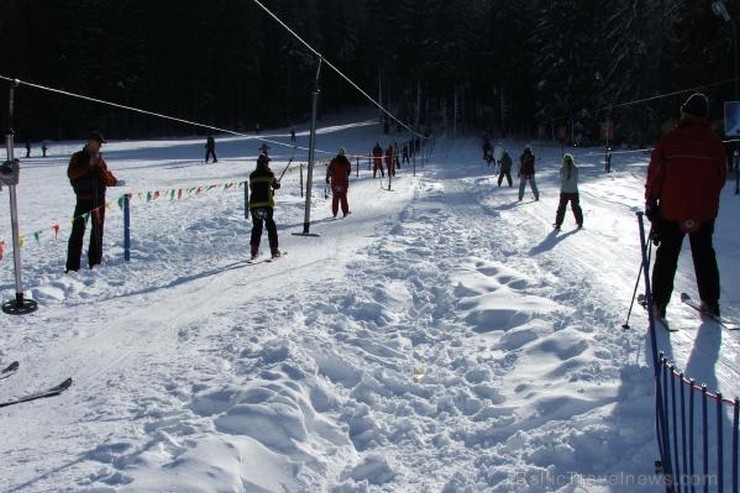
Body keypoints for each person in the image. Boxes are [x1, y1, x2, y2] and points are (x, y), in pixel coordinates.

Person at [645, 93, 727, 319]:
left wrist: (652, 202)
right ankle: (711, 302)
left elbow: (655, 176)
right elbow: (721, 177)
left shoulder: (670, 141)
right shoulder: (715, 144)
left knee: (668, 254)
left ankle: (659, 303)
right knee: (704, 254)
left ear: (686, 112)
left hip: (673, 209)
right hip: (704, 211)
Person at [65, 132, 119, 272]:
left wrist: (100, 166)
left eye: (100, 144)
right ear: (89, 142)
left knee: (97, 233)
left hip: (99, 201)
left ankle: (95, 263)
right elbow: (71, 174)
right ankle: (72, 267)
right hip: (82, 200)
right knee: (77, 233)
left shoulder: (100, 159)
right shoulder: (77, 157)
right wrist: (88, 165)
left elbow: (108, 180)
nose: (99, 146)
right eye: (97, 143)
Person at [249, 152, 281, 259]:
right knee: (270, 226)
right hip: (266, 204)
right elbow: (276, 185)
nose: (268, 165)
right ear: (265, 164)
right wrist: (274, 188)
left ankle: (254, 252)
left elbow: (253, 188)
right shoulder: (269, 174)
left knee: (257, 227)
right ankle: (274, 250)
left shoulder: (252, 175)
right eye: (267, 163)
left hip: (254, 205)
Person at [553, 154, 583, 230]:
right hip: (574, 191)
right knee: (576, 207)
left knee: (562, 208)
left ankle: (558, 224)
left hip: (564, 191)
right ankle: (580, 222)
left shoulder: (562, 170)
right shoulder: (576, 169)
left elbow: (561, 180)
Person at [326, 147, 352, 218]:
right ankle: (345, 212)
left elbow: (329, 170)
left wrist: (328, 177)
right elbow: (349, 171)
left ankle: (335, 212)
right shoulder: (346, 162)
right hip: (343, 182)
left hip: (335, 182)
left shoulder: (334, 161)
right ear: (344, 153)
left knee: (335, 197)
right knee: (343, 197)